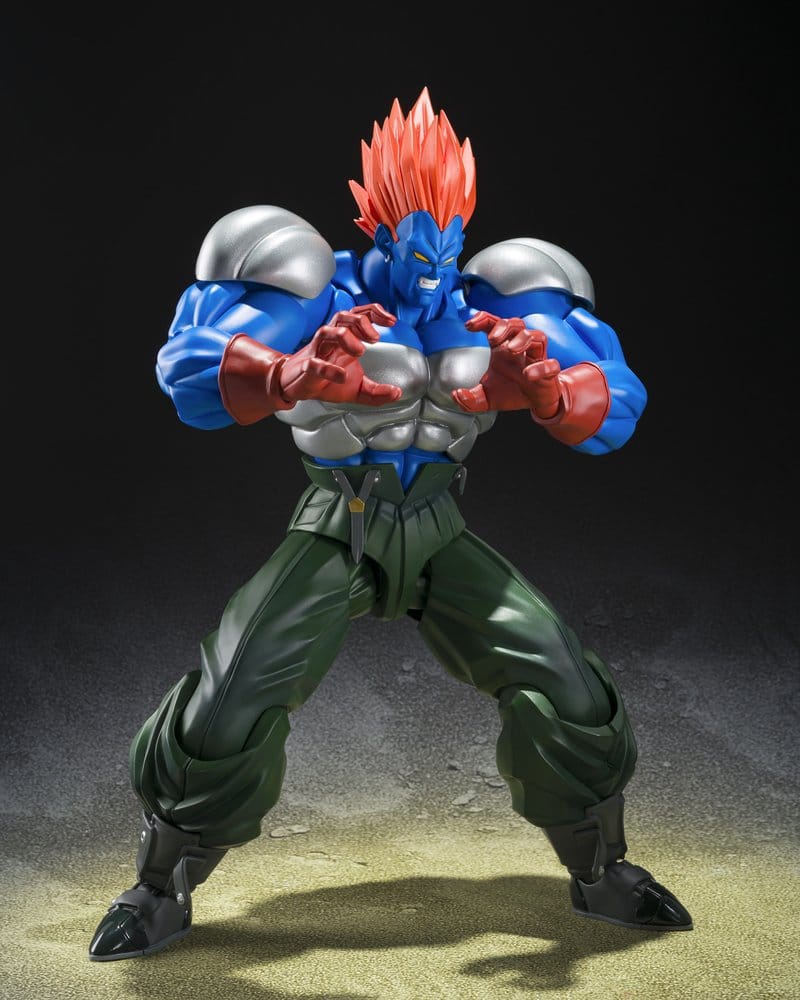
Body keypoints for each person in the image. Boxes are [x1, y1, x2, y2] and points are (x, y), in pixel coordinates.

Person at [88, 87, 692, 962]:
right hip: (340, 521)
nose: (435, 266)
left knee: (563, 679)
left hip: (438, 525)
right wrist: (287, 373)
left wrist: (555, 393)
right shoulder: (313, 284)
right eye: (418, 245)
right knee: (234, 689)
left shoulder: (499, 294)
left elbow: (617, 402)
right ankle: (159, 885)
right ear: (376, 223)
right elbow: (188, 370)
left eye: (449, 241)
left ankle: (602, 869)